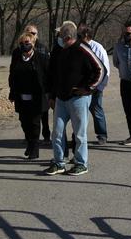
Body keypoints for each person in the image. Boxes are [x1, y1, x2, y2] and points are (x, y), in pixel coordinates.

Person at [44, 21, 104, 176]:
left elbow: (100, 69)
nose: (59, 38)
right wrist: (52, 94)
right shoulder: (62, 51)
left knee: (79, 133)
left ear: (67, 37)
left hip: (78, 99)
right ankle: (59, 162)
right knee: (57, 132)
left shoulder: (83, 49)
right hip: (61, 99)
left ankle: (81, 163)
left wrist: (88, 88)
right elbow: (54, 74)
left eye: (61, 36)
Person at [8, 32, 50, 159]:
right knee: (24, 122)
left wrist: (48, 92)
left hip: (37, 97)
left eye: (27, 43)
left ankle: (34, 149)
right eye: (21, 43)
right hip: (21, 96)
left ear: (33, 44)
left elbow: (48, 76)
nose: (24, 46)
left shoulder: (42, 58)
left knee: (35, 123)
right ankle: (30, 144)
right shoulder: (17, 58)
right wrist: (12, 92)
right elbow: (12, 76)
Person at [77, 23, 110, 145]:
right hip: (81, 87)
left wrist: (99, 87)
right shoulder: (78, 47)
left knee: (96, 110)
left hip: (95, 87)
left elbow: (105, 69)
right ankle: (79, 136)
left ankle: (102, 135)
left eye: (79, 33)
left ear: (86, 34)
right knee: (79, 113)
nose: (77, 35)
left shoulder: (98, 48)